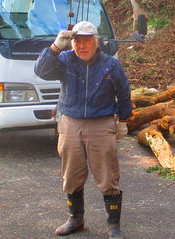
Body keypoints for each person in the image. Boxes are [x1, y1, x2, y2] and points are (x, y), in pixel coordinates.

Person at [34, 21, 132, 239]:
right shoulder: (65, 60)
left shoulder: (110, 65)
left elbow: (124, 93)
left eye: (87, 40)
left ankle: (113, 226)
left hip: (102, 123)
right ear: (72, 43)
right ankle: (75, 220)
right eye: (77, 41)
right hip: (70, 123)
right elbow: (40, 71)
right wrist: (55, 47)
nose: (82, 46)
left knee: (108, 176)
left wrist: (124, 120)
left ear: (97, 42)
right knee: (71, 175)